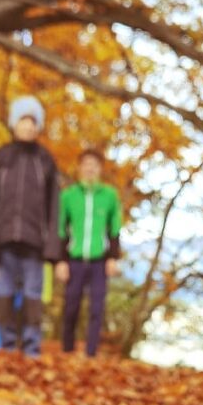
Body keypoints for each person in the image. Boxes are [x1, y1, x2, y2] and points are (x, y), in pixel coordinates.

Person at [0, 95, 62, 357]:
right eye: (23, 121)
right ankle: (4, 344)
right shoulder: (1, 158)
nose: (28, 127)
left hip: (35, 243)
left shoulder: (45, 161)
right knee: (3, 293)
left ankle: (31, 346)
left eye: (33, 122)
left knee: (32, 295)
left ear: (38, 126)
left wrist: (53, 246)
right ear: (14, 124)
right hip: (4, 240)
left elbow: (54, 207)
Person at [55, 149, 122, 357]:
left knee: (96, 307)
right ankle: (67, 350)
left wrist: (112, 258)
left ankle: (91, 353)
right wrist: (61, 261)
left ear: (100, 168)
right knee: (71, 306)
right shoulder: (68, 195)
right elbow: (61, 229)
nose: (90, 168)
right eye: (86, 164)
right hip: (74, 259)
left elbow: (114, 229)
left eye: (94, 164)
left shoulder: (110, 195)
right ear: (80, 167)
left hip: (99, 261)